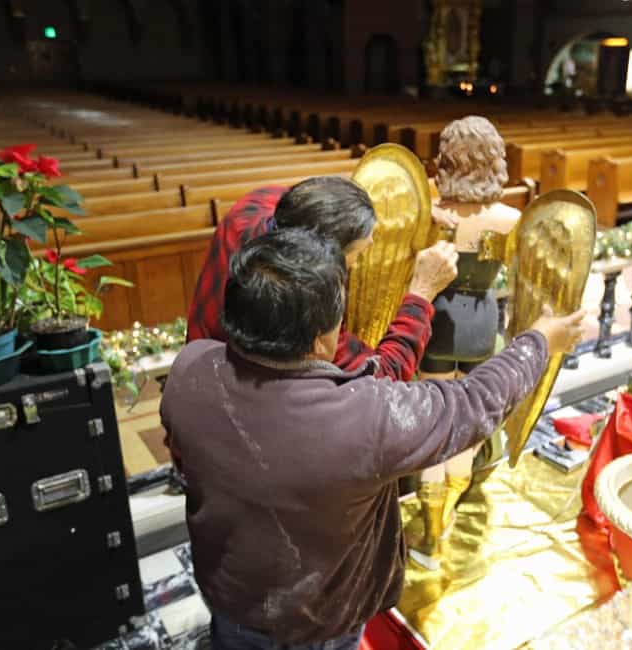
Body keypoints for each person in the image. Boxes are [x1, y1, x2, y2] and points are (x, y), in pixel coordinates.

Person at [160, 229, 585, 649]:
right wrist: (539, 341)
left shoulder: (189, 369)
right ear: (321, 339)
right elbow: (473, 403)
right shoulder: (362, 417)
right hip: (320, 620)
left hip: (232, 596)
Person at [186, 176, 457, 381]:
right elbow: (385, 375)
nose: (361, 260)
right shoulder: (298, 300)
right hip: (231, 394)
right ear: (323, 262)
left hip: (196, 365)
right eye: (358, 255)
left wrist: (408, 216)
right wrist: (422, 292)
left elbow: (320, 214)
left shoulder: (260, 202)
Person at [411, 116, 522, 570]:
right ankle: (449, 517)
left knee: (437, 428)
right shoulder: (510, 219)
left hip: (438, 323)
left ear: (449, 157)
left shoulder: (433, 215)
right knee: (468, 428)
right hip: (482, 325)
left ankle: (431, 534)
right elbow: (520, 284)